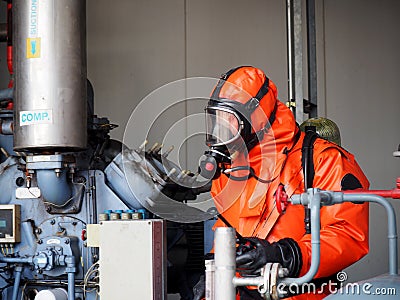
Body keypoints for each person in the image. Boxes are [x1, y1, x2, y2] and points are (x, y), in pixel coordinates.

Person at [197, 66, 369, 299]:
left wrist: (286, 255)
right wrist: (213, 277)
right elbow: (227, 230)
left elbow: (348, 234)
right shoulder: (231, 171)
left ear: (254, 118)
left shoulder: (323, 159)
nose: (222, 131)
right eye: (217, 121)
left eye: (230, 120)